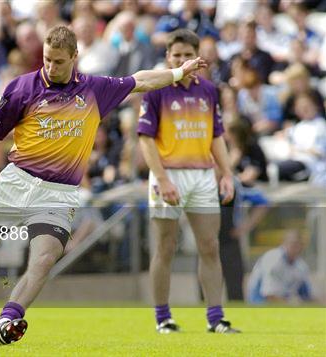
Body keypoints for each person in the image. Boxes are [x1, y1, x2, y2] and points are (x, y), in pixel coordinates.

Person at [0, 25, 206, 345]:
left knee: (45, 258)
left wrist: (178, 72)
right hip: (16, 182)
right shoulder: (21, 89)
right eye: (47, 60)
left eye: (59, 62)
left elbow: (141, 80)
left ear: (75, 58)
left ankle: (7, 320)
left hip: (58, 193)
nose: (51, 67)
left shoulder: (93, 89)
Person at [137, 29, 240, 334]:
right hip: (168, 174)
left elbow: (216, 136)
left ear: (196, 56)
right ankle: (163, 318)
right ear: (168, 57)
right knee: (165, 247)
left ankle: (215, 319)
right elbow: (145, 139)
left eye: (186, 55)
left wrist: (227, 173)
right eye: (176, 55)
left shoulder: (208, 90)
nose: (181, 60)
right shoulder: (156, 90)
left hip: (202, 175)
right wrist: (162, 178)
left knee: (210, 246)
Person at [247, 230, 312, 304]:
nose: (295, 247)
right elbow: (268, 295)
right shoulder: (273, 260)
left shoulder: (301, 266)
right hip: (259, 300)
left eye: (298, 244)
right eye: (292, 243)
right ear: (284, 243)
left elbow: (306, 296)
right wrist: (290, 303)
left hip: (284, 302)